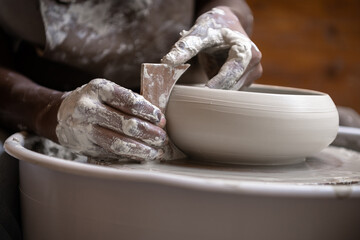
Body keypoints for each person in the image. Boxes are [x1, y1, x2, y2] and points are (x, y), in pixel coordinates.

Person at [0, 0, 262, 238]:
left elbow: (228, 4)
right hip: (40, 98)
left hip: (186, 107)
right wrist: (48, 111)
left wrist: (229, 15)